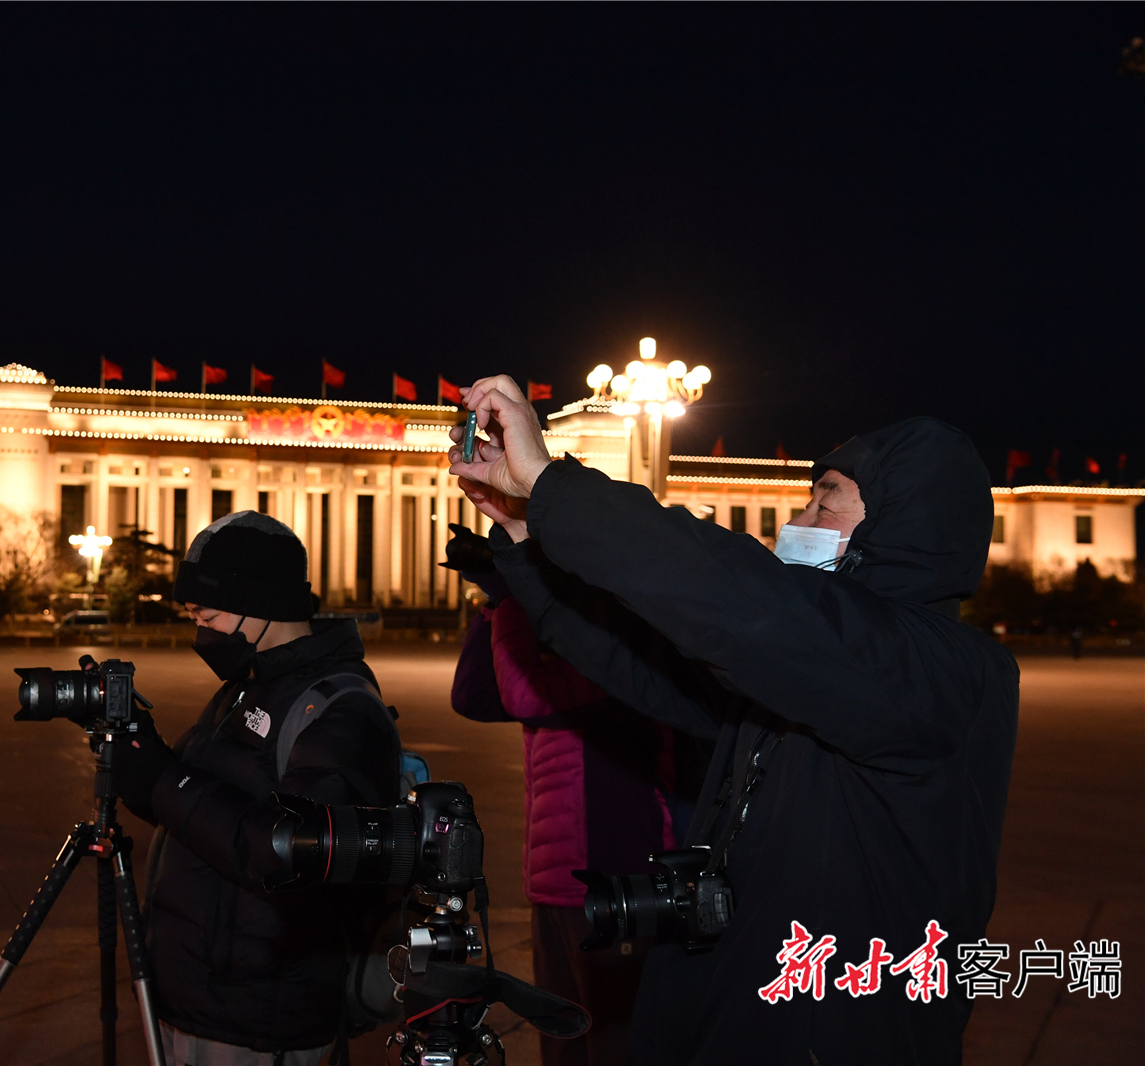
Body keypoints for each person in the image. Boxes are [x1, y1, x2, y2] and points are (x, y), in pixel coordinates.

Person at [449, 376, 1019, 1066]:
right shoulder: (805, 672)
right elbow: (645, 662)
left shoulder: (932, 669)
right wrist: (522, 533)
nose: (799, 519)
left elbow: (731, 597)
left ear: (903, 525)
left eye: (826, 501)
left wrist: (550, 485)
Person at [108, 511, 403, 1066]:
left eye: (207, 615)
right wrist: (136, 756)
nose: (200, 633)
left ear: (262, 603)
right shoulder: (247, 688)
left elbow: (290, 853)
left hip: (261, 1015)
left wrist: (168, 779)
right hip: (197, 995)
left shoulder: (339, 709)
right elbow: (198, 814)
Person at [447, 525, 711, 1065]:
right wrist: (495, 606)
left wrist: (508, 597)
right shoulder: (573, 665)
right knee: (564, 1040)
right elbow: (473, 696)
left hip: (614, 880)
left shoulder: (626, 666)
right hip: (558, 883)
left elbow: (523, 697)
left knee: (614, 1042)